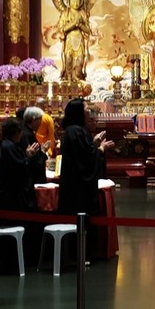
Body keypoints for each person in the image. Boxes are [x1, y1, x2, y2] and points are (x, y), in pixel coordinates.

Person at [58, 98, 114, 259]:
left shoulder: (75, 130)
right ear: (78, 112)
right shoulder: (75, 131)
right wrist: (100, 149)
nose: (88, 111)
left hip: (75, 183)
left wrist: (94, 143)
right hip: (78, 187)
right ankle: (81, 253)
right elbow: (85, 160)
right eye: (85, 108)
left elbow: (85, 152)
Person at [0, 117, 40, 212]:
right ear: (16, 132)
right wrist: (30, 155)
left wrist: (26, 154)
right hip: (12, 194)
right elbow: (21, 167)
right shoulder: (9, 146)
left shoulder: (5, 143)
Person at [57, 0, 92, 81]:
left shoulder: (82, 14)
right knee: (68, 60)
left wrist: (80, 25)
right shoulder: (65, 13)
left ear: (81, 1)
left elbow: (88, 30)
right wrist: (73, 24)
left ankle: (77, 79)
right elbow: (61, 29)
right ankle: (68, 80)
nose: (76, 3)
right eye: (73, 0)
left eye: (78, 0)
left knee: (80, 60)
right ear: (68, 1)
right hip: (69, 40)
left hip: (79, 40)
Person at [20, 106, 50, 185]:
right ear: (34, 120)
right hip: (31, 179)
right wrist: (43, 151)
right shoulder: (27, 135)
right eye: (40, 119)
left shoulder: (25, 132)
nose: (41, 122)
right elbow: (35, 161)